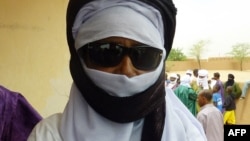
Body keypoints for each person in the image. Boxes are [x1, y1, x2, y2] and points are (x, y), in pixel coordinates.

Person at [28, 0, 207, 140]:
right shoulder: (48, 136)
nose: (126, 70)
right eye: (107, 52)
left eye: (144, 56)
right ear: (81, 58)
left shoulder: (186, 134)